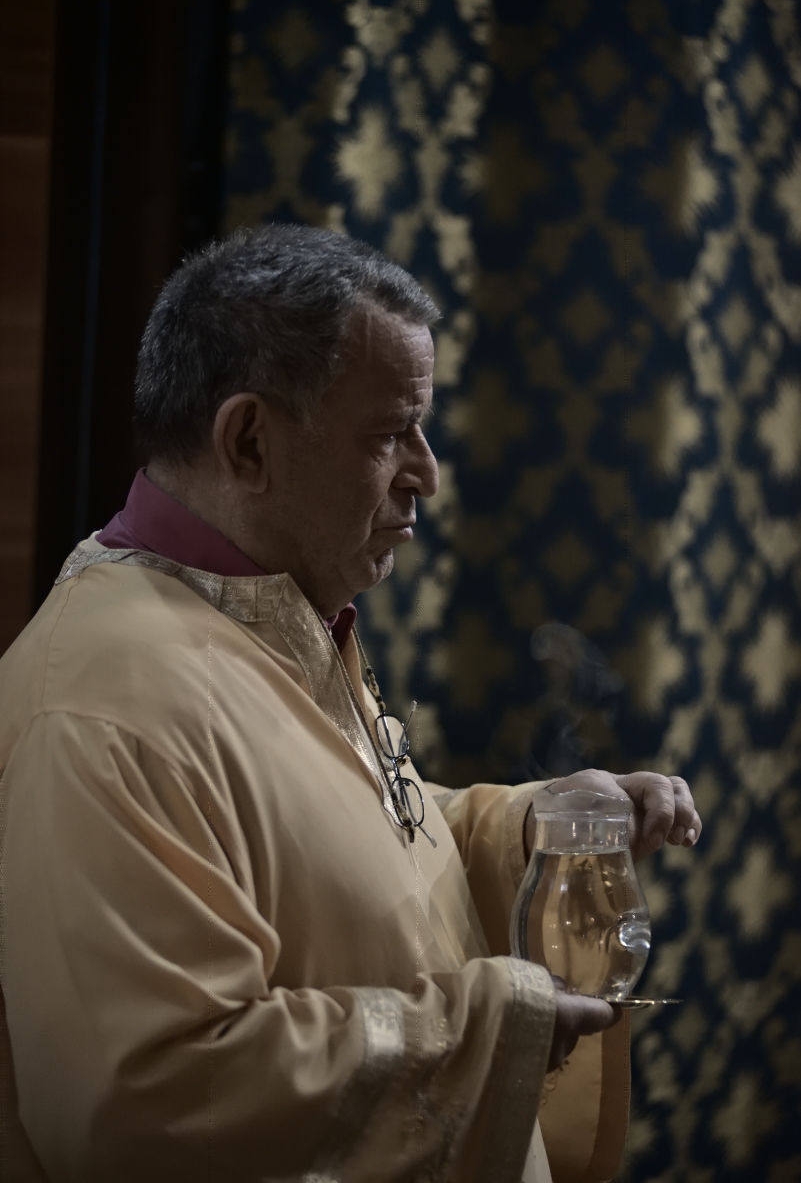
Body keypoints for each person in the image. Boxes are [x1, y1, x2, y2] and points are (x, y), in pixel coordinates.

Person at [0, 225, 701, 1183]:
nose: (427, 473)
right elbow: (147, 1099)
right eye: (388, 433)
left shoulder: (259, 611)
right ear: (248, 441)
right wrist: (491, 1026)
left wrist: (526, 828)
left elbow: (332, 841)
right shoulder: (103, 702)